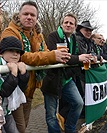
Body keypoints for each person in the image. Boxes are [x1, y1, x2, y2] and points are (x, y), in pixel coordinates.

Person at [1, 1, 70, 133]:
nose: (29, 17)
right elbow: (21, 56)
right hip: (12, 89)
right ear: (19, 16)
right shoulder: (10, 31)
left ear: (37, 18)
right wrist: (51, 56)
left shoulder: (38, 34)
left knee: (24, 125)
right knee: (17, 128)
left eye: (32, 15)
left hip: (30, 87)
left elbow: (44, 52)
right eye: (25, 14)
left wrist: (58, 56)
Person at [41, 13, 92, 133]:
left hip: (66, 79)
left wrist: (86, 58)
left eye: (71, 23)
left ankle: (70, 129)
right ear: (62, 24)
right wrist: (78, 58)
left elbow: (77, 56)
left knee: (78, 103)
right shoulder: (52, 36)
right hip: (52, 80)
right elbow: (60, 57)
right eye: (66, 22)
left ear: (75, 27)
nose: (68, 25)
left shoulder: (74, 38)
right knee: (51, 115)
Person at [0, 36, 29, 133]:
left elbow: (22, 88)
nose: (16, 54)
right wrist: (13, 74)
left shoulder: (17, 65)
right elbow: (4, 92)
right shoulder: (1, 66)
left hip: (7, 112)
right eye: (11, 50)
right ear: (2, 52)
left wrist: (24, 74)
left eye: (18, 52)